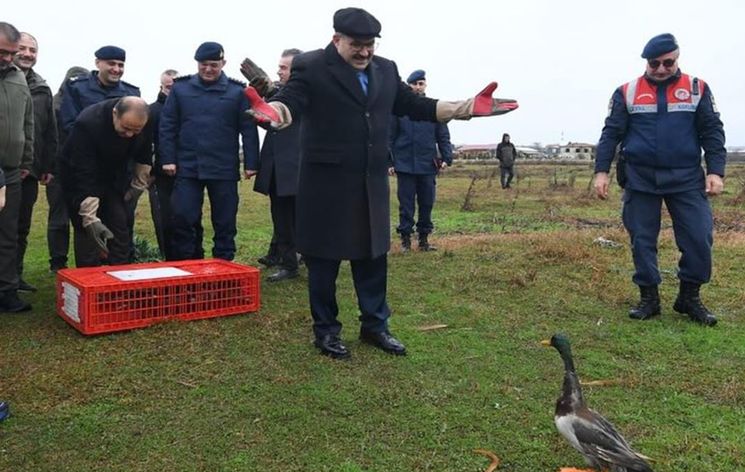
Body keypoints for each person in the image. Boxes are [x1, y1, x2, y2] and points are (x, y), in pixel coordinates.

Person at [245, 7, 517, 359]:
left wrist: (466, 108)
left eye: (370, 44)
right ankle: (326, 331)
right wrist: (275, 113)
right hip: (325, 184)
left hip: (370, 183)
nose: (364, 52)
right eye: (356, 45)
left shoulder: (385, 69)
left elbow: (414, 105)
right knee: (324, 262)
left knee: (372, 257)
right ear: (336, 39)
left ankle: (375, 326)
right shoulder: (311, 66)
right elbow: (291, 101)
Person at [594, 33, 725, 326]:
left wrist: (716, 171)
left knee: (699, 237)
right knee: (642, 240)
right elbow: (611, 133)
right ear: (646, 63)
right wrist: (601, 171)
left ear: (677, 58)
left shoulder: (697, 89)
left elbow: (712, 131)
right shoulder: (626, 92)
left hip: (686, 178)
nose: (662, 69)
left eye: (668, 62)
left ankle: (689, 297)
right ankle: (649, 298)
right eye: (655, 64)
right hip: (640, 178)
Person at [159, 42, 260, 261]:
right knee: (183, 217)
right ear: (197, 63)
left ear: (223, 63)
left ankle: (224, 265)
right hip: (188, 166)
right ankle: (187, 264)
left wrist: (252, 163)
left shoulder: (237, 91)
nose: (208, 69)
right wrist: (168, 159)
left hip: (223, 167)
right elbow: (167, 126)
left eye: (214, 65)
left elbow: (248, 129)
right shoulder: (180, 89)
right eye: (203, 64)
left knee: (225, 221)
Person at [59, 97, 152, 267]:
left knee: (120, 223)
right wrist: (90, 217)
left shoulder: (143, 122)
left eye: (136, 131)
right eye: (125, 128)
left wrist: (137, 186)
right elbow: (84, 172)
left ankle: (120, 273)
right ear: (115, 114)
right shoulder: (87, 124)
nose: (129, 135)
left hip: (113, 177)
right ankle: (88, 275)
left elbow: (144, 155)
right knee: (88, 230)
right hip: (77, 175)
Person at [245, 49, 303, 281]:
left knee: (294, 218)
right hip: (276, 165)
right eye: (279, 67)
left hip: (295, 166)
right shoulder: (279, 93)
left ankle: (295, 262)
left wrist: (271, 94)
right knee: (281, 217)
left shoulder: (305, 95)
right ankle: (283, 257)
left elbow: (286, 115)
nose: (279, 71)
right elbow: (270, 122)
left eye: (283, 67)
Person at [388, 69, 453, 252]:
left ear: (425, 85)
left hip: (427, 164)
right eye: (414, 84)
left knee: (426, 203)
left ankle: (424, 240)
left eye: (421, 84)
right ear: (409, 86)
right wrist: (389, 162)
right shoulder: (398, 110)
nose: (418, 87)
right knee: (406, 204)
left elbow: (443, 136)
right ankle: (405, 240)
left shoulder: (433, 109)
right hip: (404, 164)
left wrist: (446, 157)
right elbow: (389, 137)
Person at [13, 32, 58, 291]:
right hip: (4, 167)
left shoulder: (42, 88)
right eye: (22, 48)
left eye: (33, 50)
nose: (28, 54)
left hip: (29, 170)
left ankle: (14, 276)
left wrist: (48, 166)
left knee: (21, 226)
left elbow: (50, 130)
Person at [148, 68, 201, 260]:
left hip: (189, 172)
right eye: (169, 87)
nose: (173, 91)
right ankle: (170, 259)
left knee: (192, 218)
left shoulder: (191, 110)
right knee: (167, 219)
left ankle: (195, 257)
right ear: (161, 87)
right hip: (163, 176)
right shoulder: (152, 111)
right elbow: (147, 143)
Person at [0, 22, 34, 313]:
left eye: (11, 53)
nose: (8, 58)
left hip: (11, 171)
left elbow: (28, 121)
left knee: (7, 234)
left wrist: (26, 159)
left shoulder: (18, 77)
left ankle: (6, 292)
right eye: (2, 52)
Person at [46, 66, 88, 272]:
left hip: (79, 169)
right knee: (59, 218)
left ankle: (82, 261)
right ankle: (58, 261)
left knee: (83, 216)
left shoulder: (82, 106)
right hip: (59, 168)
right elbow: (49, 139)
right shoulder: (55, 105)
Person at [57, 45, 140, 134]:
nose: (116, 69)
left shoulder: (131, 94)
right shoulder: (76, 87)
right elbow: (69, 123)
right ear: (97, 63)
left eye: (120, 65)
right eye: (111, 64)